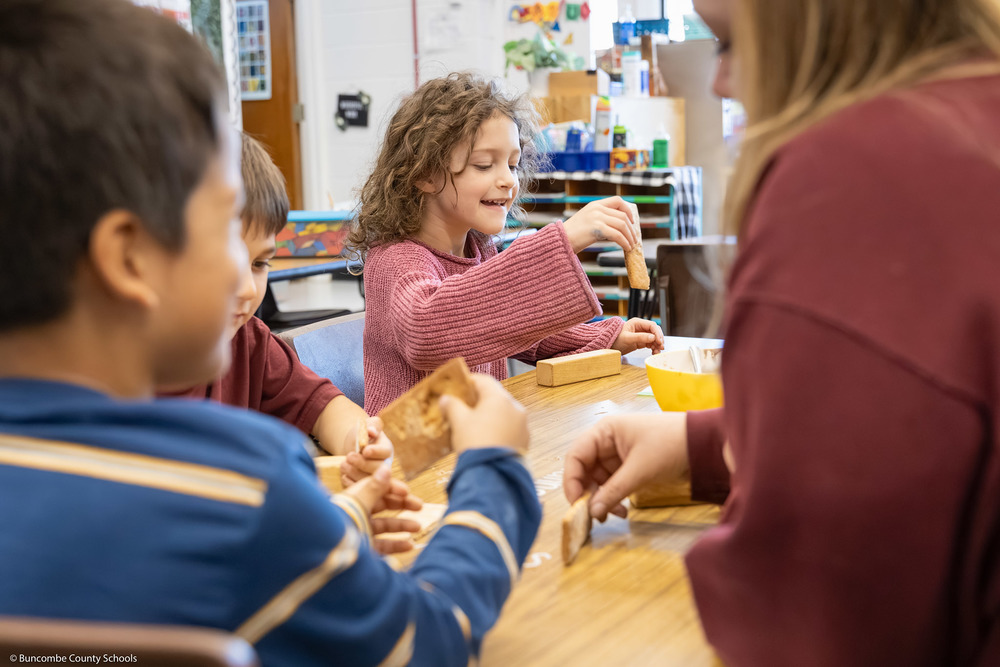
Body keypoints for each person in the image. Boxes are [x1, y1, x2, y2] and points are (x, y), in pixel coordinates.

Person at [0, 2, 540, 665]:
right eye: (224, 222)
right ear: (131, 258)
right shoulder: (246, 491)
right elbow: (428, 639)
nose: (249, 275)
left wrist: (338, 525)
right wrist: (493, 471)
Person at [564, 0, 1000, 664]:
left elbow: (810, 620)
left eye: (730, 43)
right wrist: (703, 444)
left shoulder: (848, 183)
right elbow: (913, 421)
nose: (718, 83)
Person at [348, 72, 665, 416]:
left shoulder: (478, 250)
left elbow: (512, 327)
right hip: (410, 459)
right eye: (484, 165)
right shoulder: (396, 260)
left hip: (472, 446)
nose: (508, 181)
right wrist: (563, 240)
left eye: (513, 165)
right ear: (425, 174)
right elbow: (427, 331)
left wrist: (606, 338)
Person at [162, 132, 388, 469]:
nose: (249, 290)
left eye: (259, 264)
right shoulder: (114, 380)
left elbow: (326, 408)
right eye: (226, 261)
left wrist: (360, 442)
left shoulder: (249, 344)